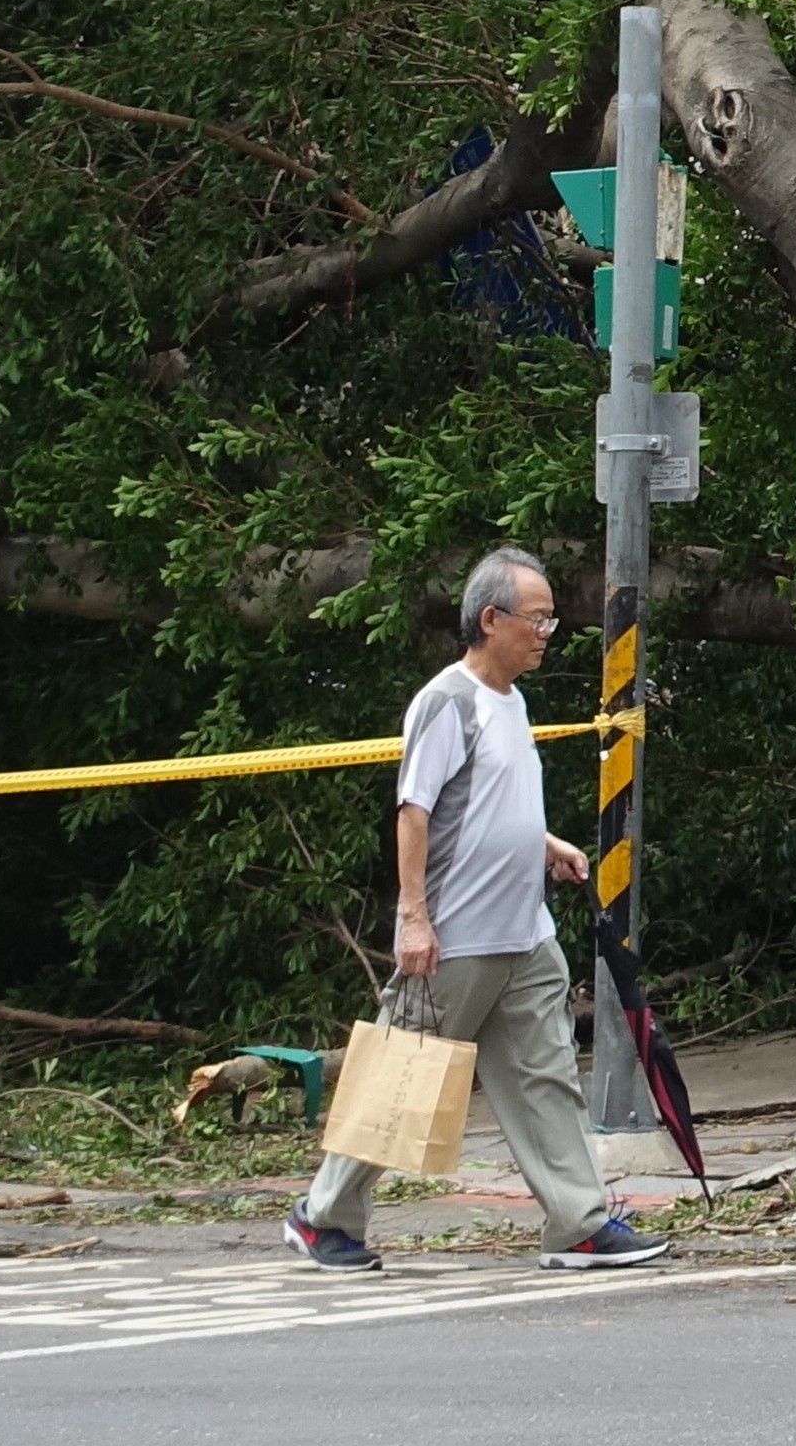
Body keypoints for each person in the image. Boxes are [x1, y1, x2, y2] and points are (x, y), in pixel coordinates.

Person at [284, 545, 669, 1273]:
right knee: (403, 1077)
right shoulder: (447, 701)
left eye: (550, 619)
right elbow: (414, 813)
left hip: (524, 934)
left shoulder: (512, 703)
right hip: (455, 937)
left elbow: (487, 804)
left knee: (546, 1078)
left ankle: (578, 1223)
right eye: (537, 618)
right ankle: (323, 1217)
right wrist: (414, 919)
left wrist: (544, 843)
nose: (546, 632)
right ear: (490, 619)